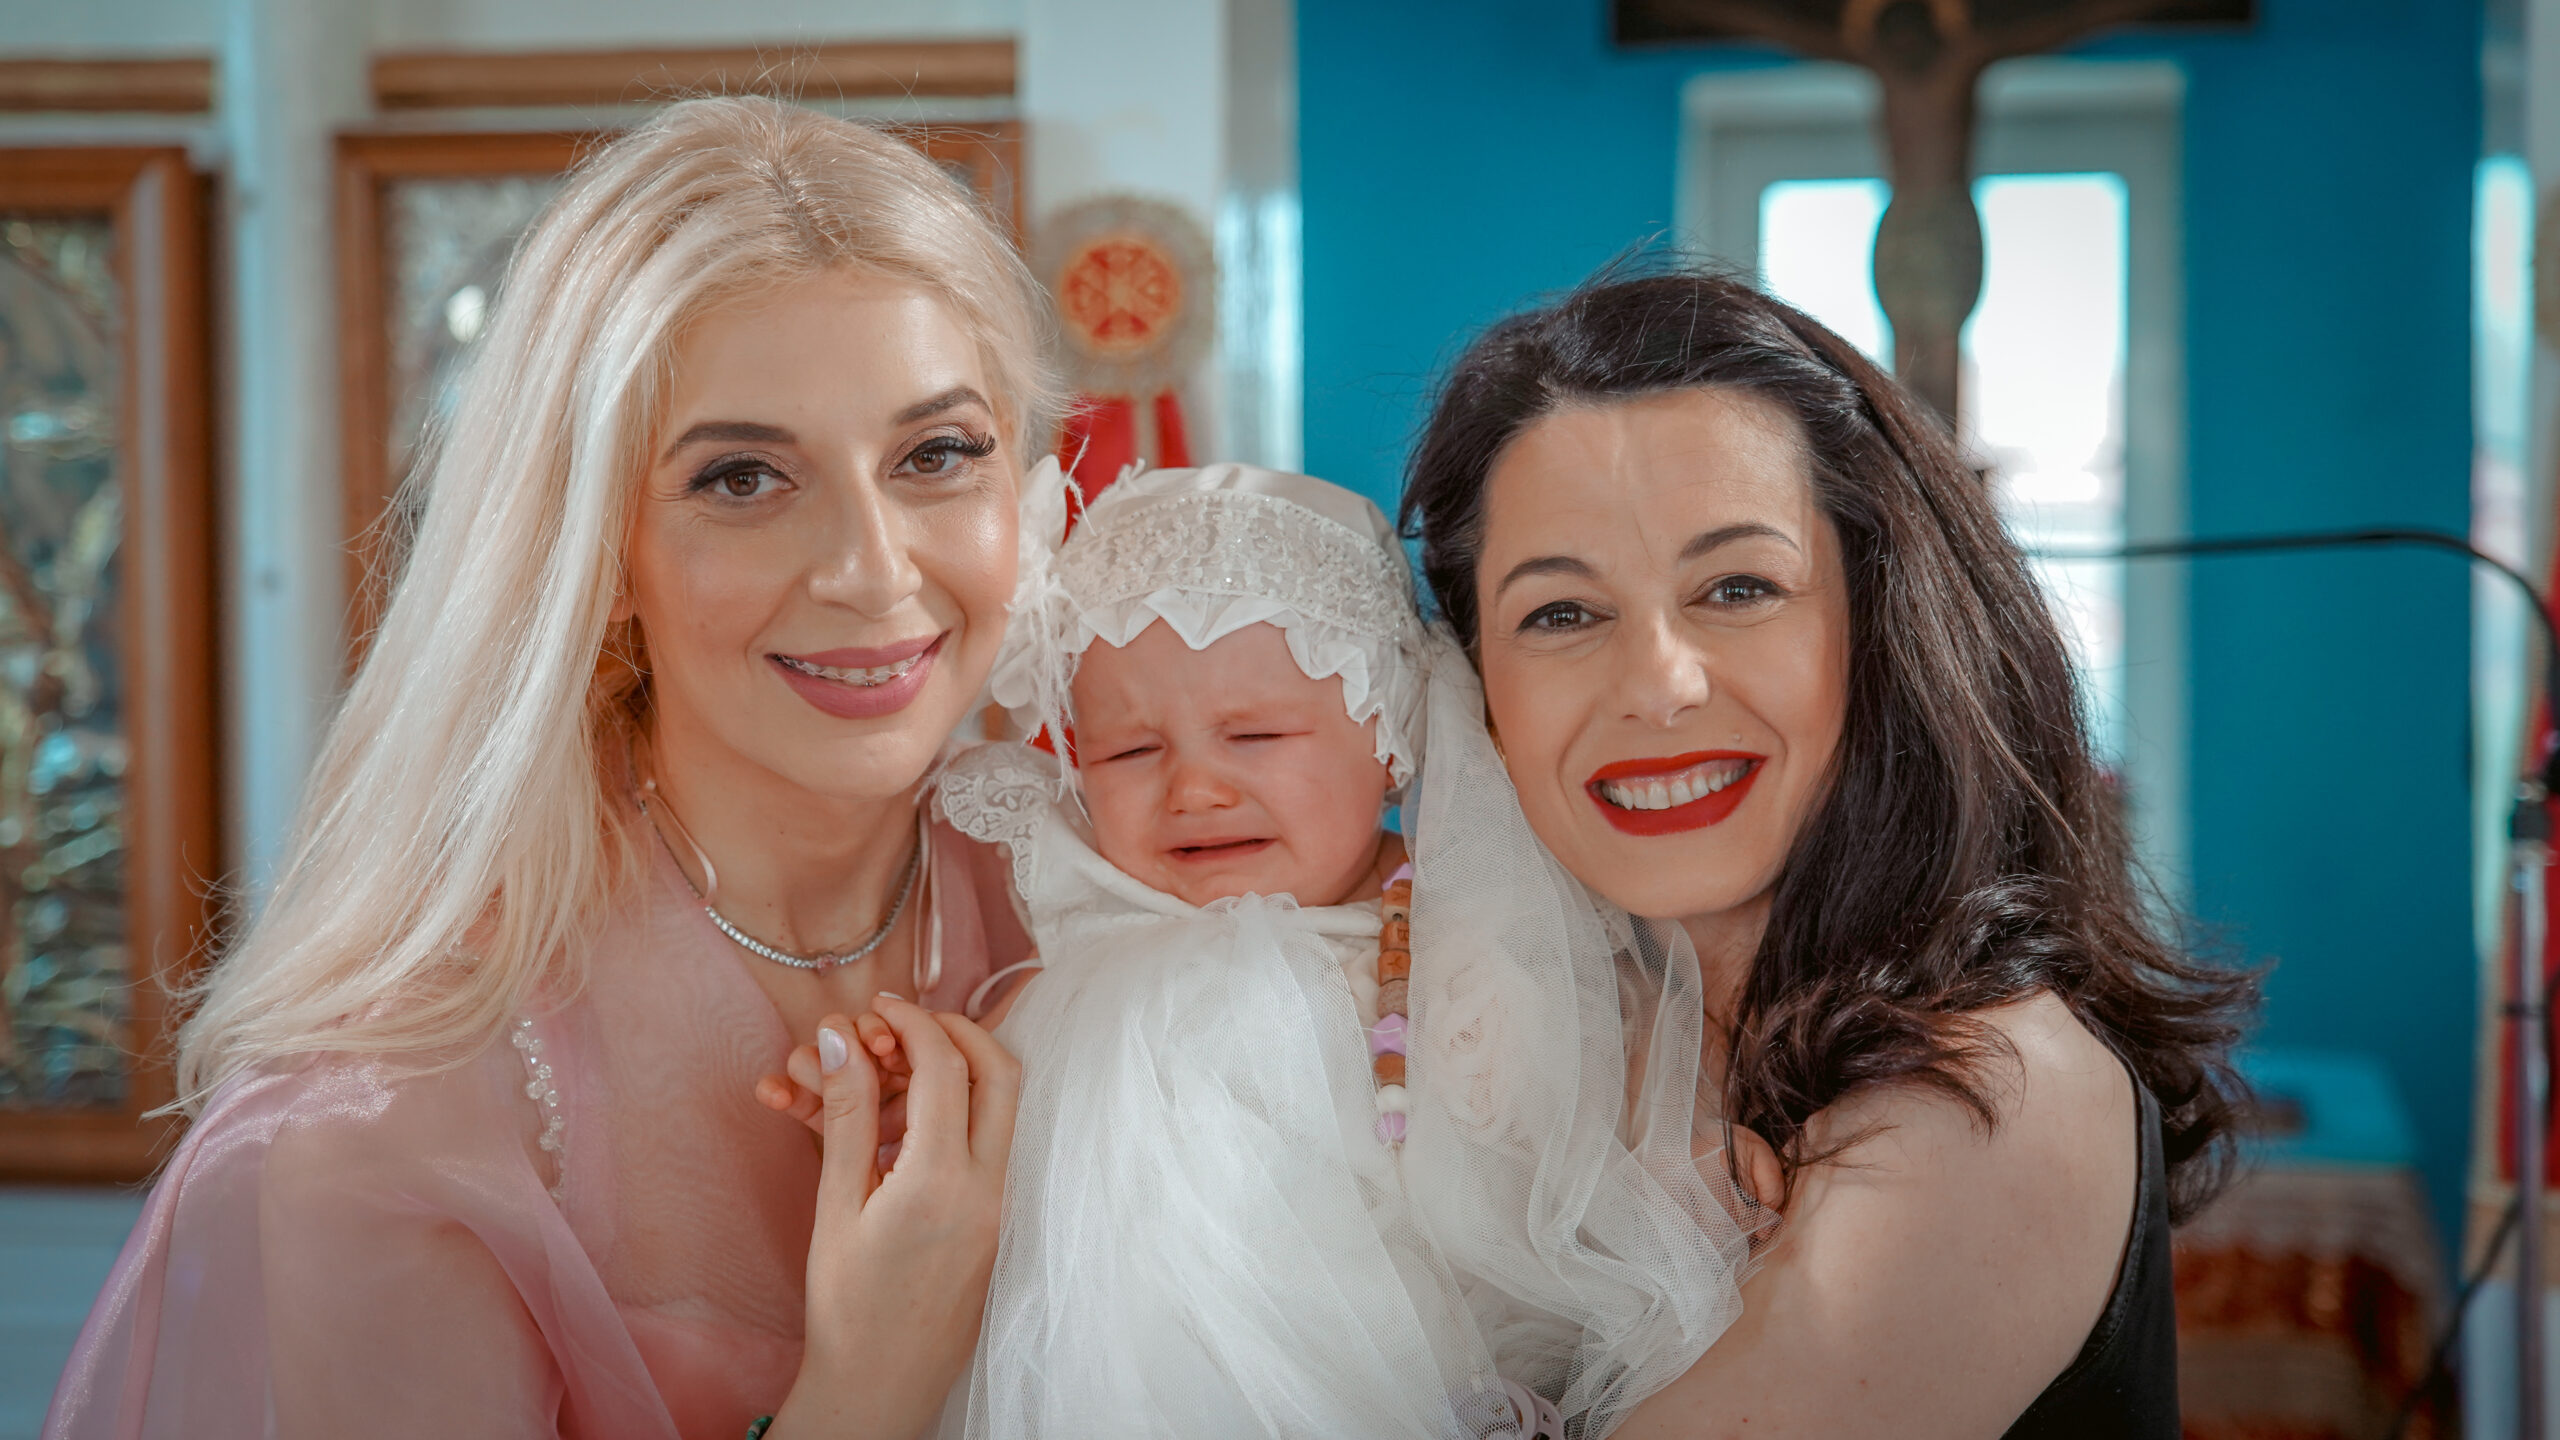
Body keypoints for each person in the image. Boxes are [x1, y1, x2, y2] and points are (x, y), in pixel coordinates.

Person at [47, 95, 1053, 1440]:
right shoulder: (378, 1135)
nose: (873, 572)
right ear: (597, 554)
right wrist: (865, 1389)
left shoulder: (1110, 906)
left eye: (936, 454)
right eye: (742, 479)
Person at [1399, 270, 2256, 1438]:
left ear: (1883, 631)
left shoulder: (1983, 1094)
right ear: (1475, 694)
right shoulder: (1565, 1053)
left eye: (1736, 588)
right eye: (1561, 612)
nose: (1657, 684)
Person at [764, 461, 1761, 1437]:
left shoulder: (1474, 935)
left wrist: (1678, 1156)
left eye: (1257, 739)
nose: (1195, 790)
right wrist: (906, 1110)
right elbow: (1004, 1162)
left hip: (1427, 1370)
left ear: (1387, 739)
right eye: (1130, 750)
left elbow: (1598, 1086)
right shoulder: (1085, 962)